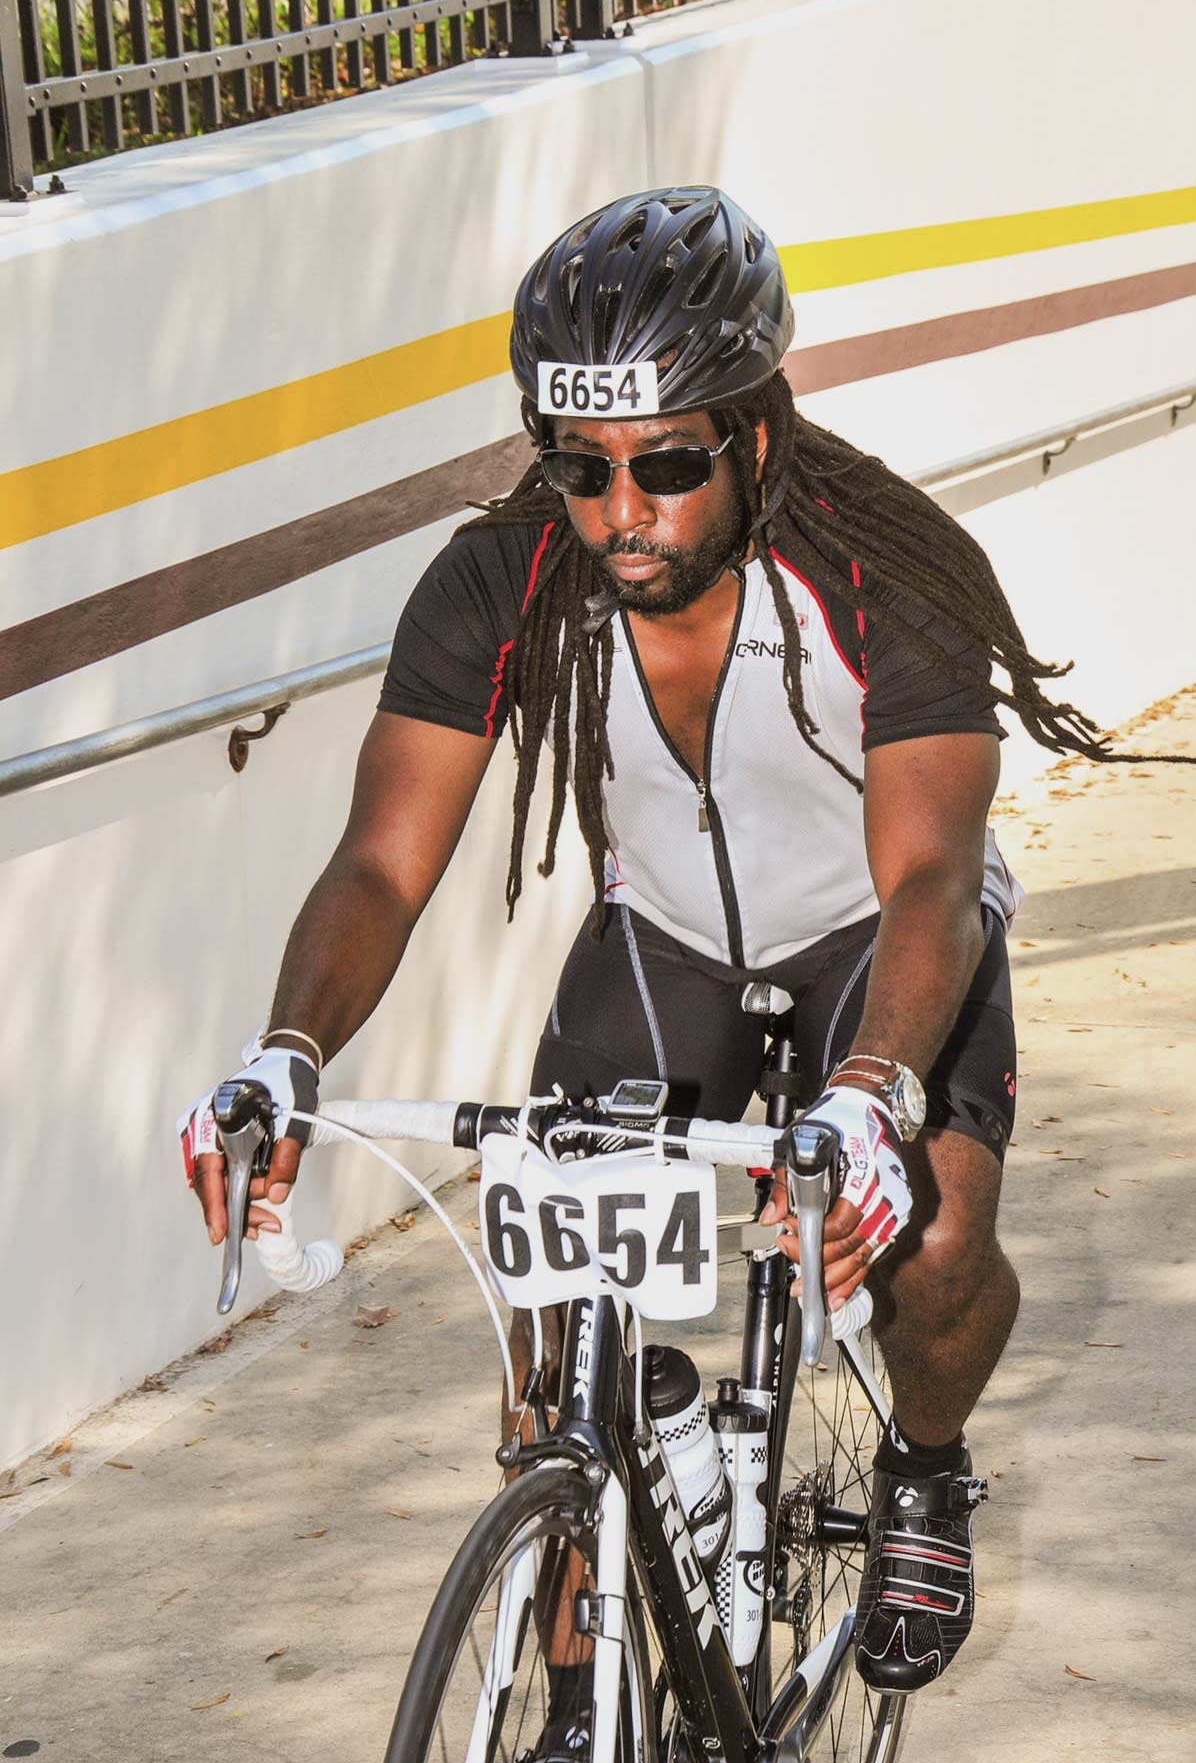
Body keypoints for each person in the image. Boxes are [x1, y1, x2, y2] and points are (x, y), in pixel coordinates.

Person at [181, 187, 1187, 1732]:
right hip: (668, 950)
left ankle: (923, 1465)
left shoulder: (886, 567)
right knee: (551, 1312)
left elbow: (928, 871)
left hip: (882, 940)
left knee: (924, 1249)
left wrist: (868, 1099)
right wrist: (283, 1055)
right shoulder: (502, 578)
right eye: (577, 467)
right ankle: (589, 1626)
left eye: (666, 463)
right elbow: (383, 861)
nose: (618, 510)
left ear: (758, 436)